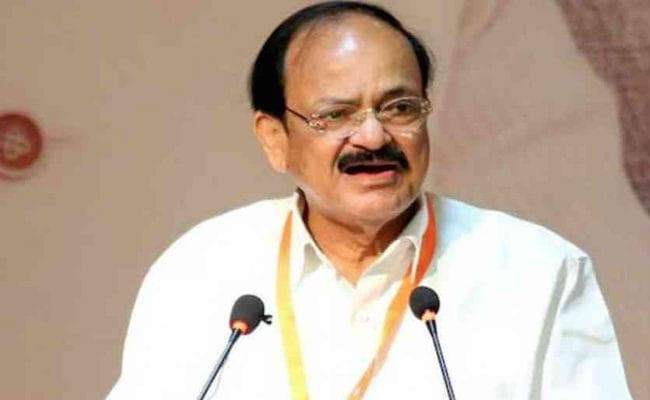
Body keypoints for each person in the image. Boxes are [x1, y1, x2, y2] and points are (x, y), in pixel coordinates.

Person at [107, 2, 632, 399]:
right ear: (274, 138)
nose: (374, 137)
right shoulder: (199, 271)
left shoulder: (540, 272)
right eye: (336, 115)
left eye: (400, 107)